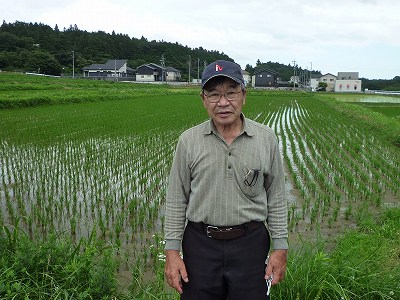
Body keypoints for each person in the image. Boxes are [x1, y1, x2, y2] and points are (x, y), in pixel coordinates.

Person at [164, 60, 288, 299]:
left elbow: (277, 196)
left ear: (244, 95)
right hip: (200, 245)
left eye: (231, 93)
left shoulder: (265, 139)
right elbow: (176, 198)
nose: (223, 102)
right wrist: (172, 252)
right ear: (203, 99)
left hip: (250, 244)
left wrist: (280, 247)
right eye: (213, 94)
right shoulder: (188, 141)